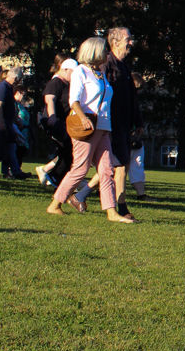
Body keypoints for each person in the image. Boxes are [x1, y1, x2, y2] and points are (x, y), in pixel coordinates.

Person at [44, 37, 130, 223]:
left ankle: (111, 212)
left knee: (107, 170)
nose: (107, 54)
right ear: (94, 52)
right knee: (80, 169)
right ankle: (55, 203)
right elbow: (73, 100)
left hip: (104, 127)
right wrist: (83, 119)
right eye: (104, 50)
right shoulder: (80, 72)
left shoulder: (101, 73)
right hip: (87, 127)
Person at [100, 27, 140, 220]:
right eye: (128, 39)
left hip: (123, 124)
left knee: (119, 164)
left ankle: (76, 196)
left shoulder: (124, 66)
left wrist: (137, 121)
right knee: (115, 166)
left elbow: (132, 97)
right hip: (110, 123)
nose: (131, 43)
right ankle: (119, 208)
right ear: (115, 42)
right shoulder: (107, 65)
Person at [36, 54, 76, 187]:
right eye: (73, 72)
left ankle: (55, 177)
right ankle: (55, 177)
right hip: (55, 123)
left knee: (68, 152)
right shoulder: (56, 82)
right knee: (67, 151)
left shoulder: (66, 83)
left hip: (64, 122)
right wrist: (53, 118)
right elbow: (50, 99)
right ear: (65, 69)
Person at [0, 66, 26, 179]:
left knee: (10, 148)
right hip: (0, 124)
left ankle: (15, 171)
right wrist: (2, 124)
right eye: (20, 78)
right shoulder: (2, 88)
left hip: (7, 123)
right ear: (16, 77)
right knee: (0, 149)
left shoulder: (8, 88)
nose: (19, 81)